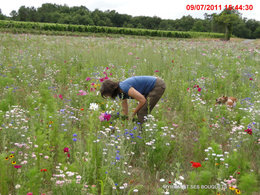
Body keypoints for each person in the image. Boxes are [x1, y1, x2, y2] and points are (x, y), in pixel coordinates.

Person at [100, 76, 166, 123]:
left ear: (111, 90)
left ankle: (143, 133)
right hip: (152, 87)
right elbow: (125, 108)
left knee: (141, 112)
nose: (108, 96)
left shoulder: (124, 87)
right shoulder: (120, 93)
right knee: (141, 111)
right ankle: (143, 130)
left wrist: (133, 114)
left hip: (157, 85)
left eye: (108, 94)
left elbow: (142, 100)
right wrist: (124, 120)